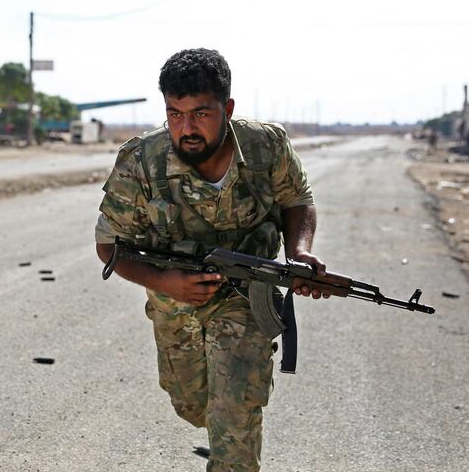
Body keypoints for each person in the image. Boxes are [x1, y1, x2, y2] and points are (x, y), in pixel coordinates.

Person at [95, 48, 326, 471]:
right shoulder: (141, 162)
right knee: (193, 406)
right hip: (174, 301)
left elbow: (297, 200)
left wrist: (299, 252)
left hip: (247, 296)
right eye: (175, 114)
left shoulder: (266, 147)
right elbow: (110, 247)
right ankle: (216, 416)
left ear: (227, 109)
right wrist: (166, 283)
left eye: (201, 114)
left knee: (234, 409)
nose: (187, 128)